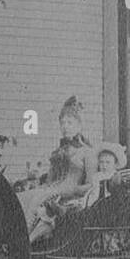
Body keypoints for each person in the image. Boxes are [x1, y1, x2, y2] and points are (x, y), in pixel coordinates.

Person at [19, 96, 99, 241]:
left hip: (72, 194)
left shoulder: (88, 152)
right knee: (24, 197)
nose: (65, 126)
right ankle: (14, 239)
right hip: (52, 190)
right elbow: (50, 179)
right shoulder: (58, 152)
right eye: (62, 123)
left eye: (70, 123)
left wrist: (74, 189)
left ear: (79, 126)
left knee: (37, 198)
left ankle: (23, 241)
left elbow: (92, 185)